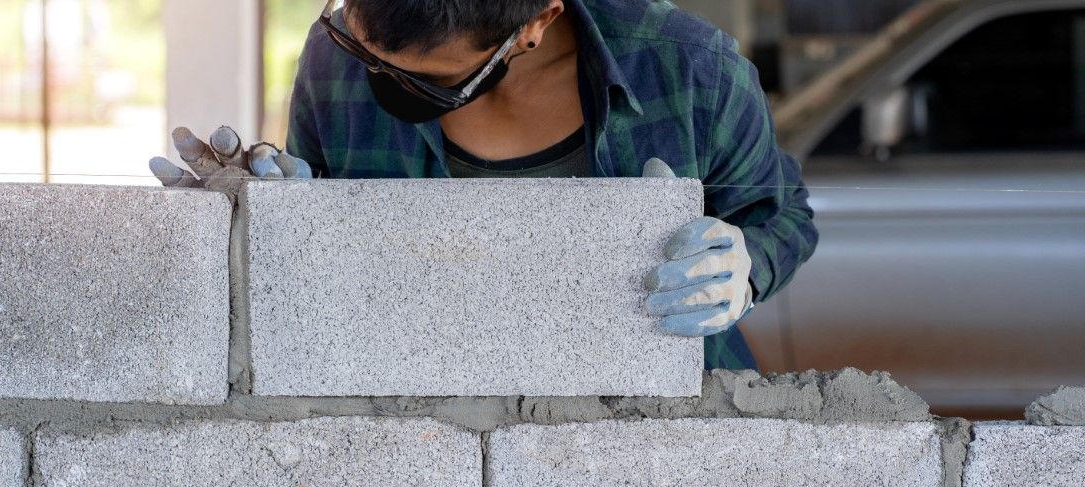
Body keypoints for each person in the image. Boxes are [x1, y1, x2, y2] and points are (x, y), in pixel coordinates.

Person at [153, 0, 818, 370]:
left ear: (536, 23)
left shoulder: (690, 69)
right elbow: (322, 260)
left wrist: (744, 268)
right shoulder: (332, 59)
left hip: (653, 435)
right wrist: (263, 221)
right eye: (366, 55)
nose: (378, 82)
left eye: (426, 80)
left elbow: (783, 218)